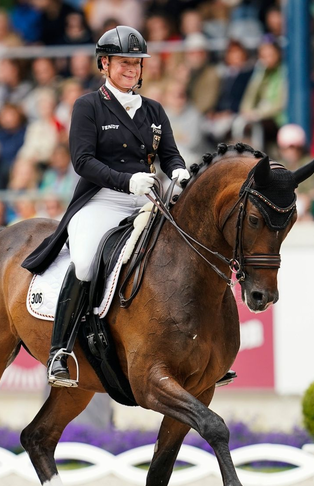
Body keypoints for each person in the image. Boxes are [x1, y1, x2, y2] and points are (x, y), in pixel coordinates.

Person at [20, 25, 191, 388]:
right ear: (105, 64)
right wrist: (126, 180)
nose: (131, 69)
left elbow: (169, 154)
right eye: (124, 62)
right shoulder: (88, 106)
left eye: (137, 63)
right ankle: (60, 352)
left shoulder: (154, 109)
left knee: (185, 255)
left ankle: (196, 351)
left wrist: (179, 171)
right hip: (101, 199)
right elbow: (82, 161)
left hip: (147, 200)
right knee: (83, 262)